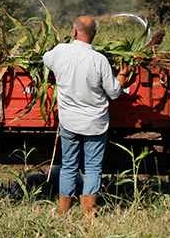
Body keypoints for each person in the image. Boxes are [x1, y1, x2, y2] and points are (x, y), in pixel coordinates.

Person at [43, 16, 129, 219]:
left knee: (69, 166)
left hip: (70, 122)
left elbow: (47, 59)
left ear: (74, 32)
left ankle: (63, 211)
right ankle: (88, 213)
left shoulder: (60, 52)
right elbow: (114, 92)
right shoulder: (99, 60)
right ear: (94, 35)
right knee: (92, 167)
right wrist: (123, 75)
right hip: (95, 124)